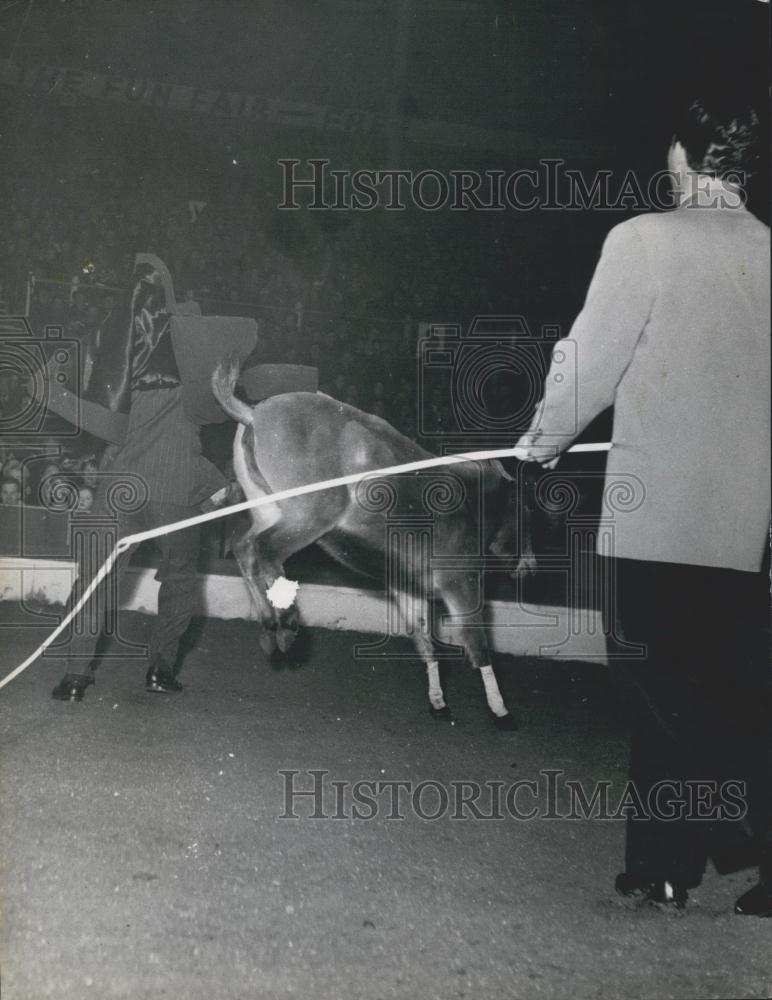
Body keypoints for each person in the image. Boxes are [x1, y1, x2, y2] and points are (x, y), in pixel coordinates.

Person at [516, 99, 770, 916]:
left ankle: (731, 842)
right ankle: (664, 865)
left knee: (663, 694)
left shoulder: (644, 240)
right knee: (715, 685)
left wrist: (540, 443)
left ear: (682, 157)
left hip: (655, 511)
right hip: (740, 527)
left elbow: (588, 361)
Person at [50, 260, 255, 702]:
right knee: (180, 580)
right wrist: (215, 484)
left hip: (120, 487)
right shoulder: (195, 368)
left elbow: (110, 431)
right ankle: (160, 670)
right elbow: (191, 438)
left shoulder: (118, 370)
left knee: (95, 581)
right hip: (176, 487)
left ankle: (72, 677)